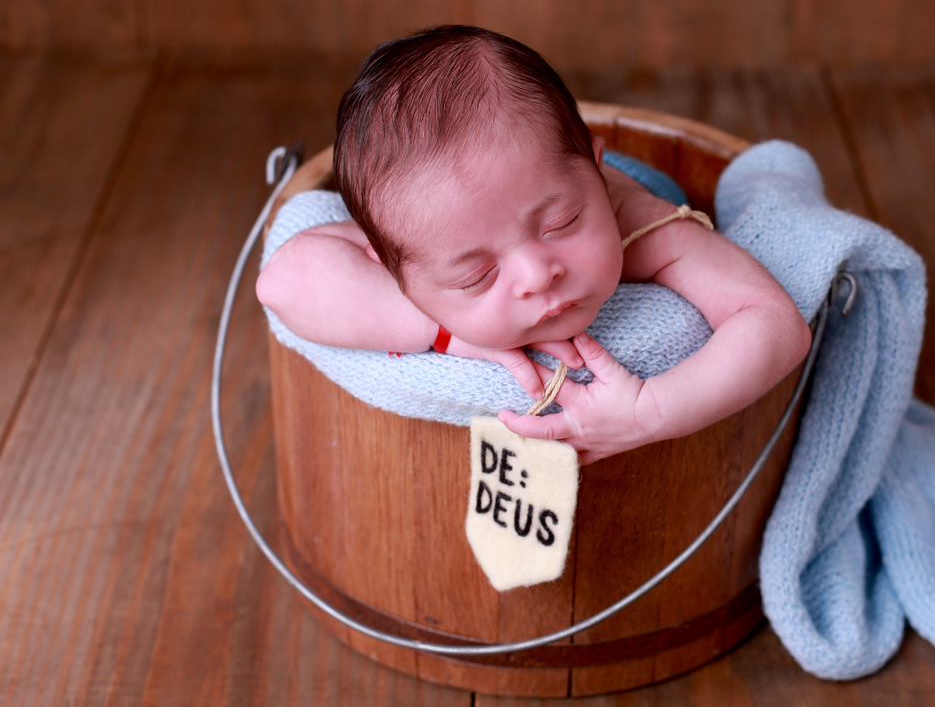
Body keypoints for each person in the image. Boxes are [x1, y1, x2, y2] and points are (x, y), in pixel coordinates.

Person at [256, 25, 810, 463]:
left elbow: (774, 321)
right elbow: (281, 281)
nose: (538, 274)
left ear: (594, 170)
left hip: (620, 177)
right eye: (477, 276)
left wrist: (649, 412)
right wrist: (446, 333)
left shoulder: (643, 227)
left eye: (562, 223)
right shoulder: (428, 236)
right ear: (394, 270)